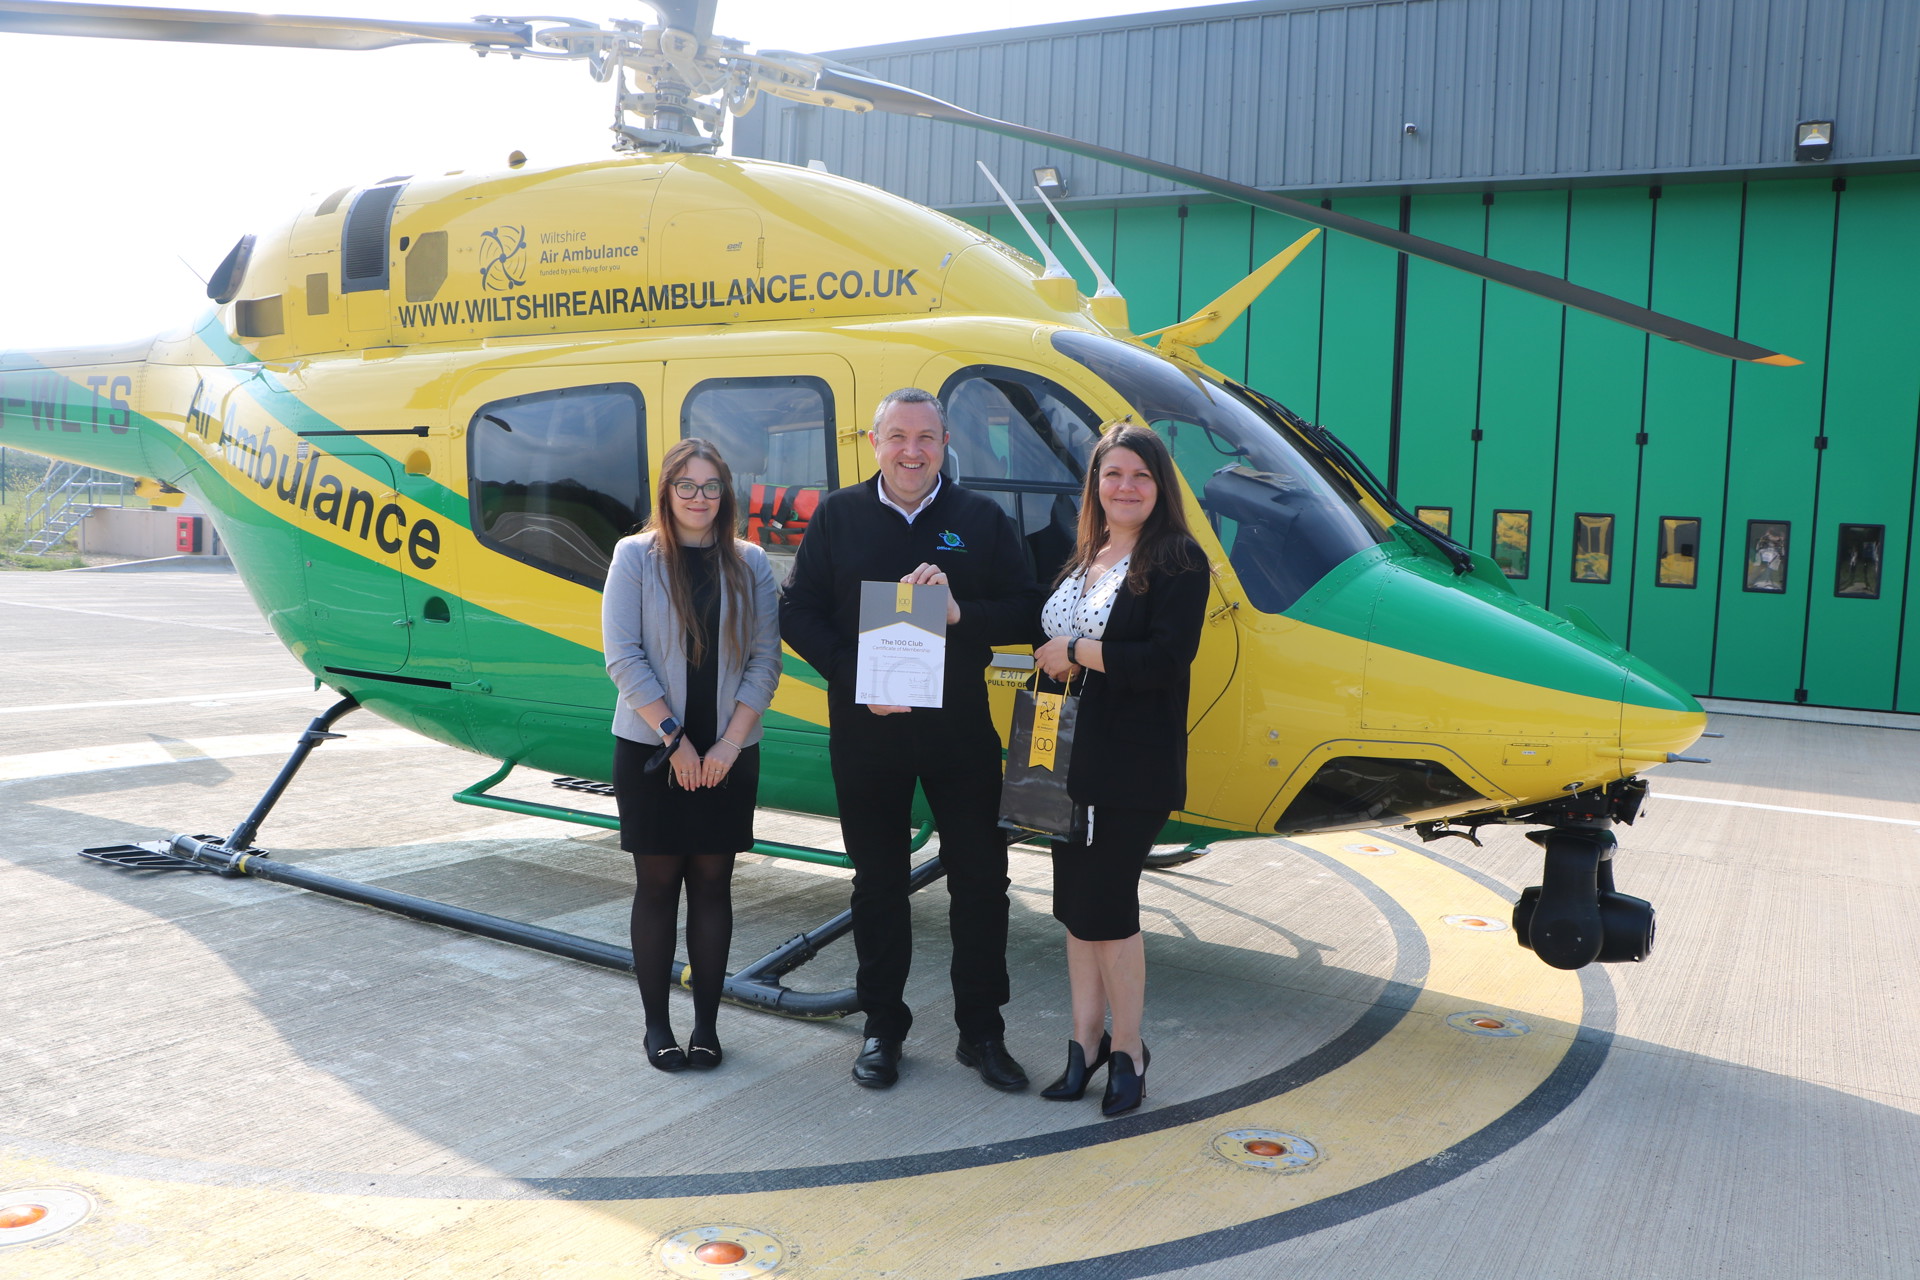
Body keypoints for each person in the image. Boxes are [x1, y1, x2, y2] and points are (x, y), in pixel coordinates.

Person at [780, 387, 1044, 1091]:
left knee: (983, 885)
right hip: (869, 736)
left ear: (945, 442)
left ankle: (982, 1033)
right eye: (898, 436)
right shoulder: (838, 516)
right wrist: (856, 673)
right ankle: (881, 1030)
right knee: (879, 888)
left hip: (961, 735)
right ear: (874, 442)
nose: (912, 451)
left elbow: (1027, 609)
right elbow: (797, 611)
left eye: (926, 437)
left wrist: (960, 611)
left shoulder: (980, 519)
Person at [1031, 423, 1209, 1116]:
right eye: (1113, 476)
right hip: (1065, 757)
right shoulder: (1088, 554)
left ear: (1160, 486)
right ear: (1096, 486)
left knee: (1108, 907)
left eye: (1140, 476)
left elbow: (1165, 662)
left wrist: (1074, 649)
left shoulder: (1177, 560)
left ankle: (1129, 1049)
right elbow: (1045, 637)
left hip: (1131, 763)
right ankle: (1085, 1043)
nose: (1125, 487)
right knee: (1074, 909)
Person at [603, 438, 781, 1073]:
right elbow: (623, 657)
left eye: (711, 487)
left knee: (713, 884)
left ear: (725, 494)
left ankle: (706, 1026)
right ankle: (658, 1029)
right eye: (687, 486)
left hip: (729, 755)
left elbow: (765, 660)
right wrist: (676, 741)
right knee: (656, 886)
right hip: (654, 753)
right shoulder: (634, 557)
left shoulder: (751, 563)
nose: (699, 498)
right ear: (667, 492)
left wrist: (728, 745)